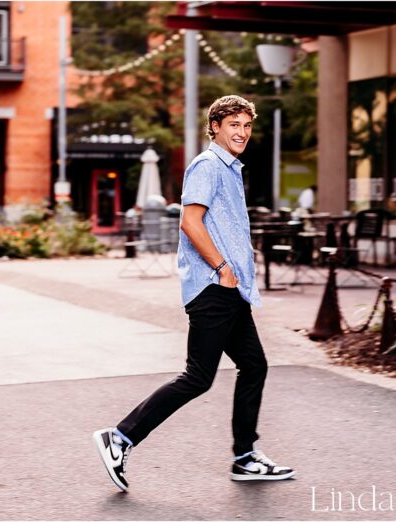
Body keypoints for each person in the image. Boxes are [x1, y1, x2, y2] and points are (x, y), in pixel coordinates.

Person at [92, 95, 295, 493]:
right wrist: (222, 268)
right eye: (234, 124)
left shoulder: (230, 169)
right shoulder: (207, 165)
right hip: (213, 287)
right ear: (215, 126)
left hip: (230, 289)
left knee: (254, 365)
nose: (242, 133)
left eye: (247, 126)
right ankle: (120, 438)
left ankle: (245, 457)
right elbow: (190, 222)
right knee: (198, 376)